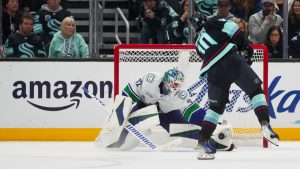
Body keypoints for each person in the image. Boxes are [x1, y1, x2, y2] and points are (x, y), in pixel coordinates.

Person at [189, 12, 279, 160]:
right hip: (230, 60)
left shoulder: (197, 43)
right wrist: (246, 47)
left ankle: (203, 142)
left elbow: (207, 55)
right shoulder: (213, 22)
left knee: (215, 109)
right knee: (255, 91)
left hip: (212, 71)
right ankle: (264, 123)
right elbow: (234, 29)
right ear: (204, 19)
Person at [98, 68, 234, 151]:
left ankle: (213, 140)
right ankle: (113, 141)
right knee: (126, 128)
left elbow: (194, 112)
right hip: (144, 108)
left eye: (179, 85)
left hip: (165, 114)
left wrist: (211, 124)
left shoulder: (179, 94)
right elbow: (128, 93)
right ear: (167, 80)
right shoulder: (150, 80)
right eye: (174, 84)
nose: (176, 87)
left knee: (180, 130)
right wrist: (119, 113)